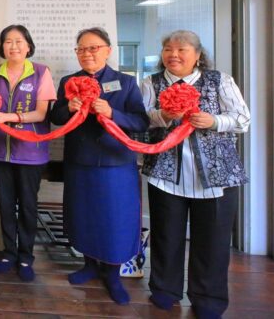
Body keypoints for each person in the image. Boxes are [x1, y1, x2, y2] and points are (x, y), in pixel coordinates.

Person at [141, 30, 250, 319]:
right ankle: (164, 289)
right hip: (166, 174)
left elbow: (243, 119)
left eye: (182, 50)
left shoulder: (219, 81)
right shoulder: (151, 82)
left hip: (216, 176)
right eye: (168, 49)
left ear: (198, 55)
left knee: (212, 241)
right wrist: (163, 116)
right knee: (166, 235)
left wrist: (214, 121)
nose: (173, 55)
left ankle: (208, 298)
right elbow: (141, 119)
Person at [50, 27, 148, 305]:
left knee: (115, 219)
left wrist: (112, 113)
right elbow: (56, 117)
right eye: (81, 49)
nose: (87, 54)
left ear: (108, 50)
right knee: (83, 215)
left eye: (93, 48)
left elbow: (140, 122)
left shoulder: (125, 82)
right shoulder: (69, 81)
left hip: (115, 163)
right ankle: (89, 265)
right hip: (80, 161)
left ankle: (113, 274)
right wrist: (68, 108)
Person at [0, 25, 56, 282]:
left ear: (28, 46)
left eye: (18, 41)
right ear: (2, 47)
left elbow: (41, 113)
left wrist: (10, 117)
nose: (13, 46)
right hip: (0, 149)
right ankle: (9, 254)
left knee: (27, 205)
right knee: (5, 204)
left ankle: (26, 257)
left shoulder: (41, 72)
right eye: (8, 41)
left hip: (30, 152)